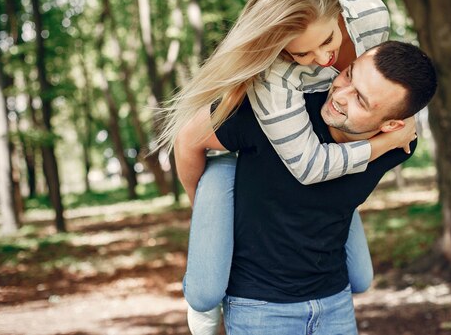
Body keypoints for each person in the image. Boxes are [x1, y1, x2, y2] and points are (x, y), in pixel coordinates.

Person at [159, 0, 413, 334]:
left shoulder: (373, 17)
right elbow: (309, 168)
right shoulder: (273, 84)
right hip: (244, 156)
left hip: (320, 167)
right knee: (206, 288)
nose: (323, 57)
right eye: (301, 53)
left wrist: (402, 116)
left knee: (361, 276)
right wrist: (204, 213)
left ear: (339, 11)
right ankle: (203, 303)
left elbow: (394, 81)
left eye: (327, 40)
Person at [175, 42, 437, 334]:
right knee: (221, 172)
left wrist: (385, 142)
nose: (339, 94)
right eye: (349, 75)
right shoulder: (277, 115)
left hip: (334, 300)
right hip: (259, 304)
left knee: (362, 277)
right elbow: (187, 138)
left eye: (361, 101)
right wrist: (204, 216)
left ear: (391, 125)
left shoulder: (400, 145)